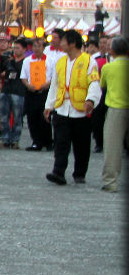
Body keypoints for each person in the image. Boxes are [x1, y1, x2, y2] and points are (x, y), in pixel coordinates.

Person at [45, 29, 102, 186]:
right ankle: (58, 172)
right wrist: (49, 105)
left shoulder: (89, 61)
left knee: (81, 145)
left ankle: (79, 173)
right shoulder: (60, 62)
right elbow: (55, 85)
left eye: (63, 41)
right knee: (60, 143)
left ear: (72, 43)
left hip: (81, 110)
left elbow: (94, 82)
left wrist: (91, 100)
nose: (61, 43)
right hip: (62, 108)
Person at [97, 35, 128, 193]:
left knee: (113, 148)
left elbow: (102, 85)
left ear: (113, 50)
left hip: (116, 108)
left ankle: (110, 182)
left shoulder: (108, 67)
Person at [25, 33, 60, 151]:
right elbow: (23, 76)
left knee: (45, 118)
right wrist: (28, 85)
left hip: (45, 92)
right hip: (31, 92)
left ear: (43, 47)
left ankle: (48, 142)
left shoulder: (50, 60)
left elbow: (53, 76)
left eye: (39, 46)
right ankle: (36, 141)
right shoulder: (27, 60)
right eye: (34, 46)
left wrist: (47, 84)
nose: (36, 48)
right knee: (32, 118)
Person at [0, 38, 30, 149]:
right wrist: (2, 60)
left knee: (17, 117)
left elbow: (22, 74)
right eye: (14, 48)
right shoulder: (9, 60)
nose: (15, 50)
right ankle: (5, 139)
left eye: (18, 48)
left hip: (18, 91)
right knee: (4, 117)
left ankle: (15, 140)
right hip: (6, 89)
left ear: (24, 49)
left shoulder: (27, 61)